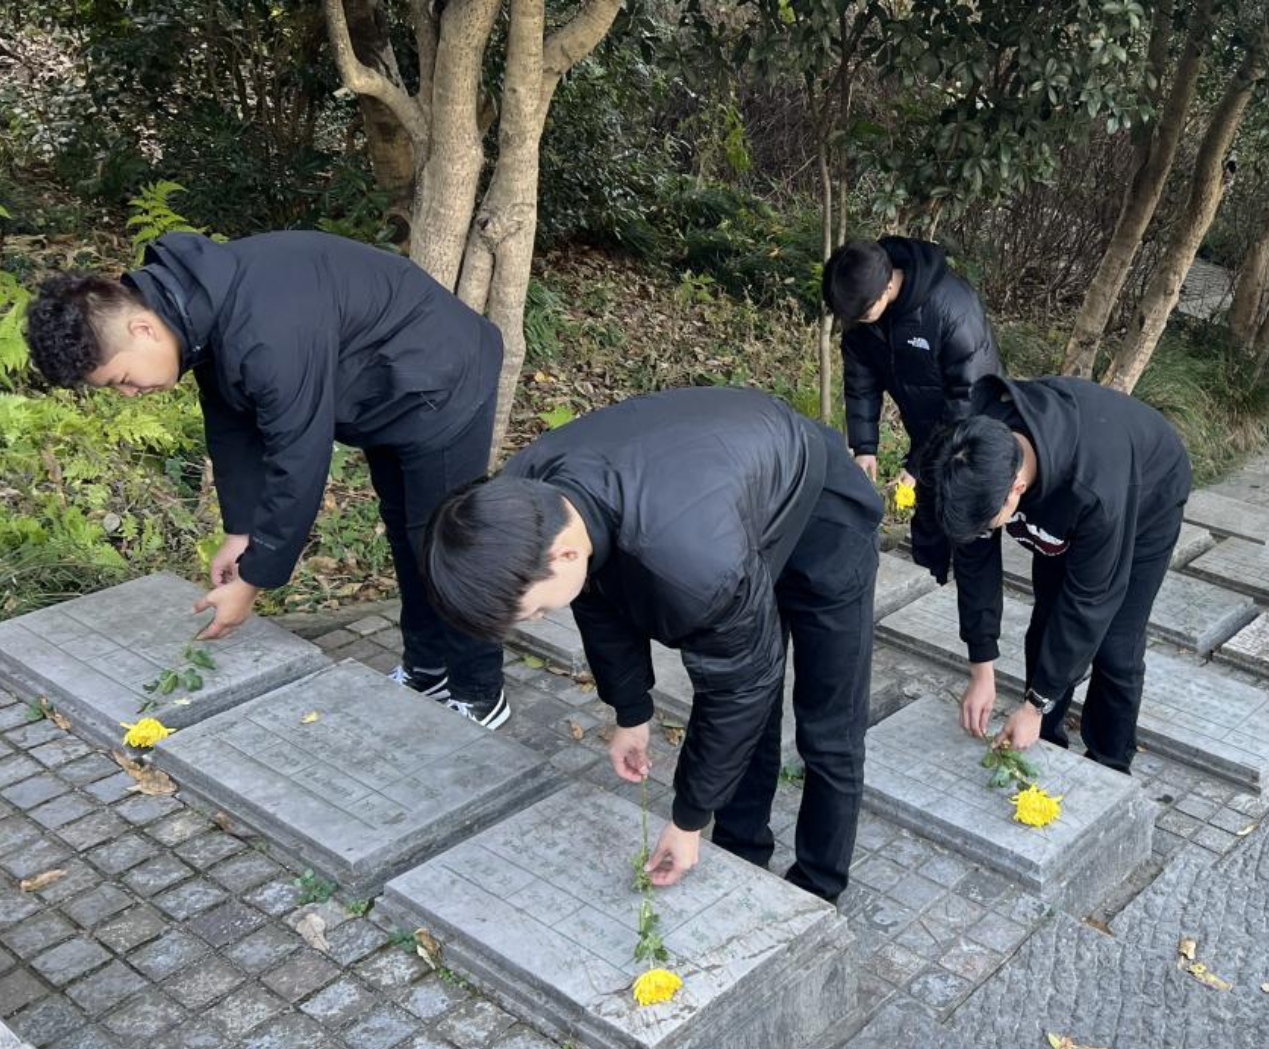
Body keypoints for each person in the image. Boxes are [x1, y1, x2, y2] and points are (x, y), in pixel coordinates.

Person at [25, 230, 510, 727]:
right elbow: (231, 424)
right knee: (411, 535)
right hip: (384, 388)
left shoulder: (266, 329)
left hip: (444, 378)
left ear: (143, 328)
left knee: (449, 543)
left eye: (122, 380)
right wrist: (241, 533)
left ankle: (480, 690)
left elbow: (299, 457)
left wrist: (254, 580)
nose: (129, 394)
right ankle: (428, 669)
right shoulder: (198, 305)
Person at [419, 387, 881, 902]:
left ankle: (816, 889)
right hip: (720, 492)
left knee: (828, 726)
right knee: (750, 712)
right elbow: (597, 597)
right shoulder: (523, 503)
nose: (541, 618)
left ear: (564, 553)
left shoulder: (694, 571)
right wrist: (631, 711)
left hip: (820, 512)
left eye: (538, 611)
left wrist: (687, 819)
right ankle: (740, 855)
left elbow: (738, 690)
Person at [916, 375, 1191, 774]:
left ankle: (1109, 761)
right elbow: (975, 564)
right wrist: (981, 667)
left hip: (1148, 493)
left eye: (989, 523)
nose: (986, 532)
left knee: (1115, 644)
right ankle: (1044, 736)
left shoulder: (1095, 492)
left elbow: (1090, 601)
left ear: (1016, 488)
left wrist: (1033, 705)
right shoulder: (968, 455)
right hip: (1061, 484)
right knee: (1048, 619)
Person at [824, 237, 1002, 583]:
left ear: (888, 286)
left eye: (862, 314)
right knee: (927, 520)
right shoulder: (861, 311)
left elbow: (968, 397)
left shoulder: (952, 307)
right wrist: (864, 447)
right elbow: (861, 381)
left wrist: (918, 465)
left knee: (968, 527)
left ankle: (970, 604)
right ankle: (926, 585)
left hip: (977, 429)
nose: (856, 322)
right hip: (928, 429)